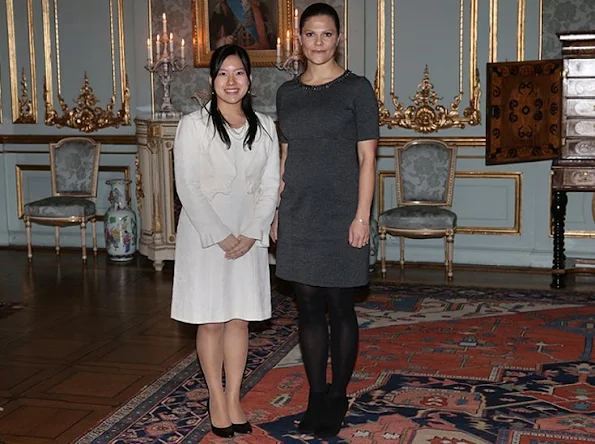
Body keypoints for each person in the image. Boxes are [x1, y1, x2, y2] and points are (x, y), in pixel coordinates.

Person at [272, 2, 380, 439]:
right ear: (300, 39)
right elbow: (284, 157)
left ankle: (338, 395)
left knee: (340, 306)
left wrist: (361, 217)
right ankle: (317, 394)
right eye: (311, 34)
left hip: (341, 213)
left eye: (327, 34)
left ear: (339, 38)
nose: (319, 42)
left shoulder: (357, 89)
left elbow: (367, 158)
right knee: (308, 307)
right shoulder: (287, 93)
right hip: (298, 212)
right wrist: (276, 213)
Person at [171, 44, 280, 439]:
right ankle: (214, 396)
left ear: (249, 79)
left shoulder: (266, 125)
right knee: (213, 319)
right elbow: (188, 186)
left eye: (238, 73)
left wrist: (252, 232)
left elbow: (270, 187)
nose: (231, 81)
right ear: (212, 80)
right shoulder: (193, 125)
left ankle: (234, 395)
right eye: (223, 73)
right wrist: (221, 236)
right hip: (206, 237)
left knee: (240, 318)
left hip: (249, 236)